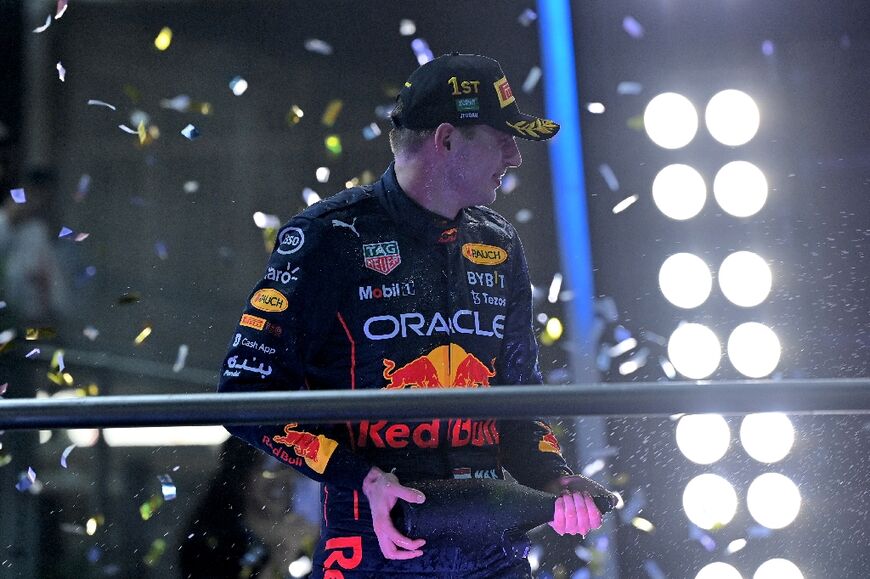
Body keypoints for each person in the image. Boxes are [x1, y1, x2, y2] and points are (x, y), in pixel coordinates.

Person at [218, 53, 614, 578]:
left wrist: (555, 480)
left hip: (491, 550)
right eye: (502, 138)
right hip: (373, 548)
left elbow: (520, 398)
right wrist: (362, 477)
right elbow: (245, 396)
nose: (516, 157)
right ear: (447, 140)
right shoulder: (326, 238)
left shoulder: (499, 243)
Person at [179, 437, 319, 578]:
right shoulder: (209, 547)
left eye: (289, 468)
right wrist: (281, 557)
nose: (282, 479)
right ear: (242, 474)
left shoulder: (313, 540)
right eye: (268, 469)